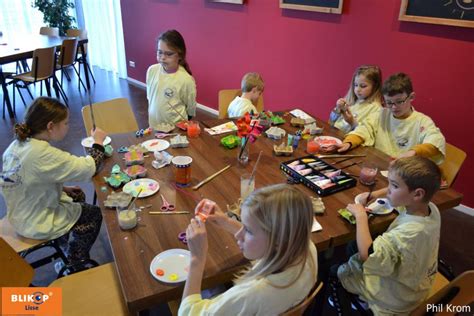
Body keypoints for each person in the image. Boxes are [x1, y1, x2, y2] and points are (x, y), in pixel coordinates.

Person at [178, 184, 318, 315]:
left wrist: (197, 258)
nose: (239, 234)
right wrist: (226, 222)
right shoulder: (307, 248)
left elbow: (187, 312)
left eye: (248, 230)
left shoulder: (251, 294)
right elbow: (266, 240)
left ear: (278, 241)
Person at [0, 97, 107, 265]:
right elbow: (86, 167)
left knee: (77, 195)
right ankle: (75, 261)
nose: (68, 126)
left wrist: (62, 189)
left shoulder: (16, 146)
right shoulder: (42, 153)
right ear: (50, 126)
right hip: (35, 222)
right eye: (65, 123)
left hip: (19, 214)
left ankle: (65, 245)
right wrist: (98, 143)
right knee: (94, 215)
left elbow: (25, 180)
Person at [336, 156, 441, 315]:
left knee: (335, 268)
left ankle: (362, 300)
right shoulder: (430, 209)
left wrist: (361, 216)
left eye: (394, 185)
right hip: (417, 284)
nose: (389, 189)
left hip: (396, 298)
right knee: (353, 246)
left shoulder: (408, 234)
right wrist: (377, 194)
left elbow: (368, 254)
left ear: (417, 194)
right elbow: (403, 195)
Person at [330, 73, 445, 164]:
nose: (394, 107)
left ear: (411, 97)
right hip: (380, 164)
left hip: (405, 173)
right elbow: (364, 129)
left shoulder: (422, 121)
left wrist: (412, 152)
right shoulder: (382, 114)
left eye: (399, 101)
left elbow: (435, 140)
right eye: (389, 102)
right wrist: (349, 143)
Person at [147, 29, 196, 127]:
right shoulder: (151, 70)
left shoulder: (186, 79)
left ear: (180, 55)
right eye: (160, 52)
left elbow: (190, 107)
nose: (163, 57)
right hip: (154, 126)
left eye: (168, 54)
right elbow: (150, 97)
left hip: (175, 129)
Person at [329, 65, 382, 134]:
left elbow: (367, 134)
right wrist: (338, 109)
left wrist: (352, 122)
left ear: (375, 87)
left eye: (363, 86)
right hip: (334, 134)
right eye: (355, 85)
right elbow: (331, 121)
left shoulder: (376, 109)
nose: (357, 90)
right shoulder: (351, 101)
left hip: (348, 141)